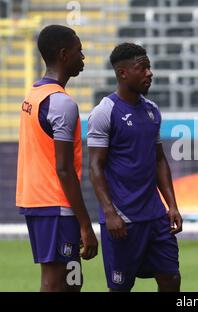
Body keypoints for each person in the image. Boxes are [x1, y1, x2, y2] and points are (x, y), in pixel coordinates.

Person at [88, 43, 183, 292]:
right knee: (121, 287)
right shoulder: (104, 112)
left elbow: (159, 160)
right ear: (123, 73)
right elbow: (95, 167)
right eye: (142, 68)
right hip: (123, 218)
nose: (149, 73)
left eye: (149, 67)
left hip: (155, 216)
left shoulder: (152, 111)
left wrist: (171, 204)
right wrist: (109, 213)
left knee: (171, 278)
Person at [16, 25, 98, 292]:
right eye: (79, 51)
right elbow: (63, 169)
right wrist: (85, 224)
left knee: (73, 281)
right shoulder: (62, 103)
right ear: (64, 54)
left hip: (38, 201)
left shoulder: (33, 95)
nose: (83, 57)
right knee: (59, 283)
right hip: (56, 205)